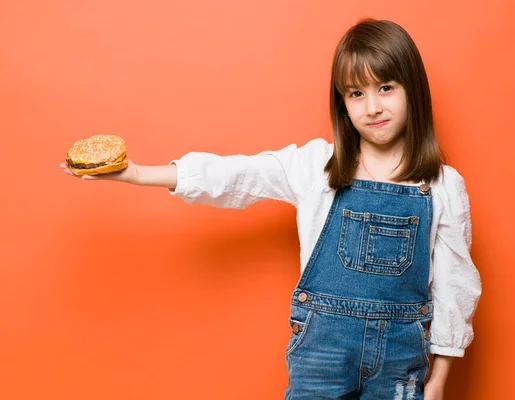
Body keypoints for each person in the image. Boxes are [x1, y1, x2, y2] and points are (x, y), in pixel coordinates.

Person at [60, 18, 481, 400]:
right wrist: (136, 174)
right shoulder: (316, 167)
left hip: (399, 367)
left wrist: (439, 378)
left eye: (386, 88)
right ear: (342, 102)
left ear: (413, 89)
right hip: (320, 359)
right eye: (356, 93)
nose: (372, 107)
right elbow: (237, 176)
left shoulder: (443, 186)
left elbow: (454, 288)